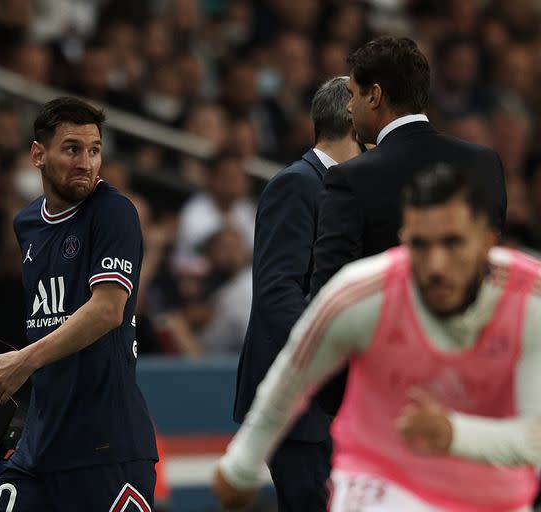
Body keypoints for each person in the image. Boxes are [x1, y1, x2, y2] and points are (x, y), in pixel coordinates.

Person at [215, 163, 540, 511]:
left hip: (493, 494)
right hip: (379, 480)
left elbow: (535, 438)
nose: (435, 265)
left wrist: (451, 434)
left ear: (487, 239)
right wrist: (241, 465)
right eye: (420, 245)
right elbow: (292, 380)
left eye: (453, 242)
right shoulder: (360, 294)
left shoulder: (531, 301)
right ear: (403, 239)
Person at [0, 97, 157, 511]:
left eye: (94, 150)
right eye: (72, 148)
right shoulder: (27, 224)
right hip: (42, 443)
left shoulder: (114, 212)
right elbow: (47, 318)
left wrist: (24, 360)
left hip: (108, 446)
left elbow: (108, 309)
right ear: (39, 154)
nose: (86, 162)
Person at [309, 36, 507, 417]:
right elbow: (491, 271)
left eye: (353, 94)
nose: (349, 107)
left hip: (382, 395)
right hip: (473, 385)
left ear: (375, 95)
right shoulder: (484, 163)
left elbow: (331, 296)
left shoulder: (350, 178)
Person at [234, 76, 361, 511]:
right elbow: (278, 295)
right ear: (352, 116)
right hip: (300, 405)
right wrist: (340, 349)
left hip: (328, 404)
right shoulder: (296, 184)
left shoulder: (346, 190)